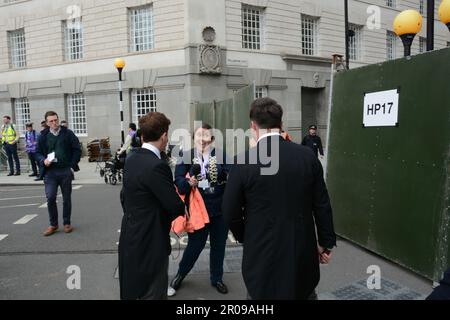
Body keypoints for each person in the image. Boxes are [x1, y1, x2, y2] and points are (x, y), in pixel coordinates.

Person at [222, 97, 336, 300]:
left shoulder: (243, 161)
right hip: (301, 252)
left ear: (253, 126)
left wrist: (245, 235)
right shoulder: (307, 156)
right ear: (281, 125)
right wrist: (325, 242)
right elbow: (321, 204)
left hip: (262, 256)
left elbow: (229, 211)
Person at [119, 112, 185, 300]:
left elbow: (124, 196)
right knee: (153, 291)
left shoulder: (132, 158)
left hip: (130, 233)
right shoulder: (156, 165)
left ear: (142, 136)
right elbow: (174, 205)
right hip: (151, 239)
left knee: (133, 288)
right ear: (164, 136)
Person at [169, 124, 230, 295]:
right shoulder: (186, 156)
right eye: (199, 135)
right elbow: (178, 182)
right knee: (195, 245)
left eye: (206, 136)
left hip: (219, 208)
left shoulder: (221, 155)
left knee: (219, 245)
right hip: (198, 210)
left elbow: (231, 175)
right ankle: (180, 274)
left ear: (212, 139)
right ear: (193, 138)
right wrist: (188, 183)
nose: (202, 139)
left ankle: (217, 278)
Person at [35, 111, 81, 236]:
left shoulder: (67, 133)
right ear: (46, 122)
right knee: (50, 197)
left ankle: (67, 223)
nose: (54, 123)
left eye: (56, 120)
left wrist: (72, 166)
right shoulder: (43, 135)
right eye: (51, 121)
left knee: (66, 198)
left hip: (65, 170)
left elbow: (77, 149)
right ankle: (53, 225)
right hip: (50, 172)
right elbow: (37, 152)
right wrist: (43, 160)